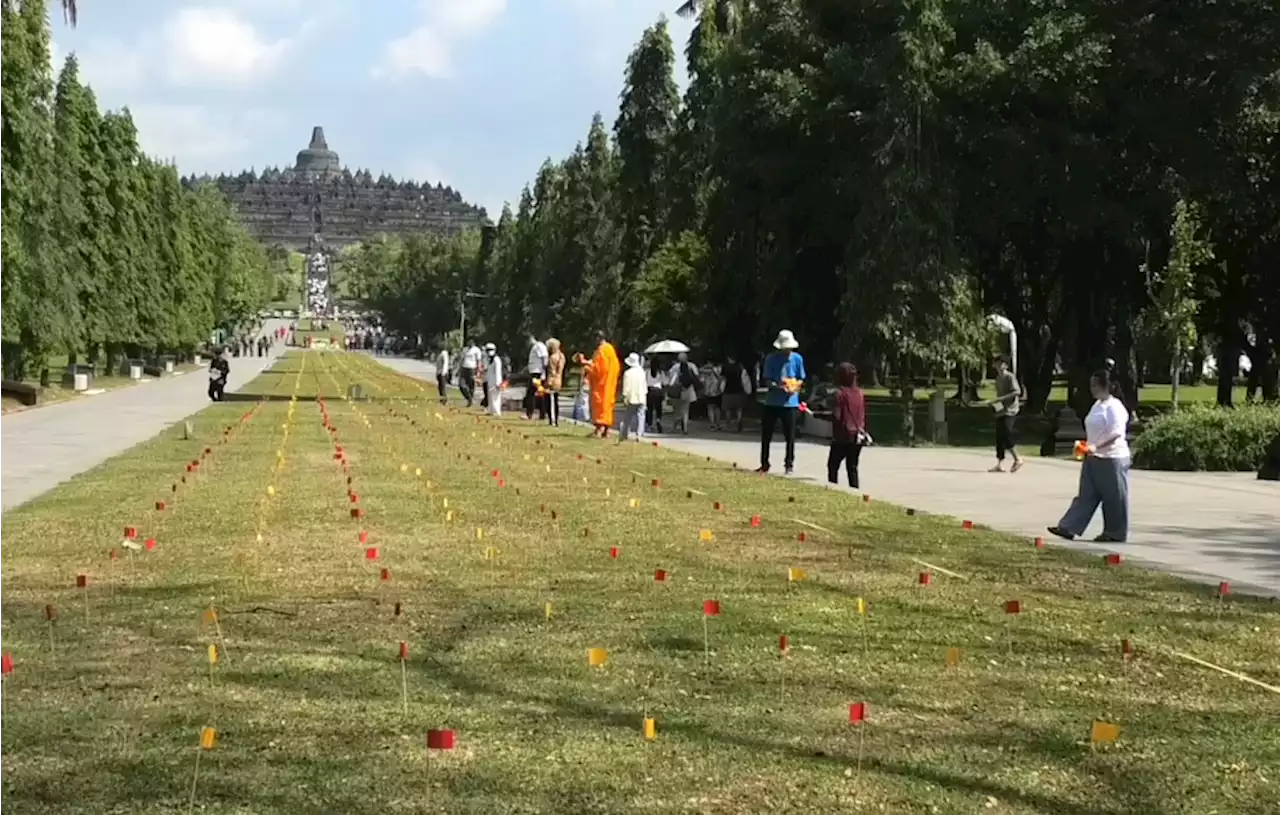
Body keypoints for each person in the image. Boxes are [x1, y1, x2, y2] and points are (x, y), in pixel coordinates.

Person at [1047, 369, 1132, 543]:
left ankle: (1115, 532)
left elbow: (1116, 433)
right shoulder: (1097, 405)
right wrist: (1086, 445)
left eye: (1095, 384)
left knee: (1114, 497)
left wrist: (1096, 446)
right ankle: (1068, 527)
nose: (1091, 388)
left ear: (1106, 386)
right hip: (1093, 456)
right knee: (1086, 494)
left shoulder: (1114, 406)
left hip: (1111, 457)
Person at [758, 329, 806, 476]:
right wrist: (777, 386)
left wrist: (795, 386)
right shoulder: (771, 359)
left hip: (790, 403)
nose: (787, 350)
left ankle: (789, 464)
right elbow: (767, 379)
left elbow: (801, 378)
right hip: (772, 401)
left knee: (790, 436)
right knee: (766, 434)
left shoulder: (797, 359)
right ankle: (764, 463)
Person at [827, 363, 868, 488]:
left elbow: (836, 416)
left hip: (842, 436)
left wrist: (818, 415)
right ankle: (855, 491)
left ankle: (833, 489)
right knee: (852, 467)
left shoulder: (839, 393)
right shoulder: (860, 393)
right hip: (858, 436)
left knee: (833, 465)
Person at [988, 355, 1024, 473]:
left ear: (1006, 365)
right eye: (997, 363)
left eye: (1001, 363)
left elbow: (1017, 391)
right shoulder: (998, 379)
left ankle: (1017, 459)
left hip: (1011, 410)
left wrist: (1001, 399)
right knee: (999, 436)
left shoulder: (1010, 377)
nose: (999, 365)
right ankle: (999, 464)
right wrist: (995, 404)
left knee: (1007, 433)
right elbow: (1000, 396)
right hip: (1001, 410)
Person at [581, 330, 620, 438]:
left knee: (600, 405)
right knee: (607, 406)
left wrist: (586, 365)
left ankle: (599, 429)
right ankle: (606, 431)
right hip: (609, 384)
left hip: (601, 385)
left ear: (598, 338)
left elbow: (600, 369)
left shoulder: (602, 350)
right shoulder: (610, 349)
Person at [668, 352, 699, 434]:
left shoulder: (675, 367)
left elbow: (671, 380)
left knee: (676, 411)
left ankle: (674, 427)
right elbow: (696, 376)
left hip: (678, 391)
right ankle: (685, 428)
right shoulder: (692, 366)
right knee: (685, 411)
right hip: (688, 391)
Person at [619, 353, 647, 442]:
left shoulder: (628, 373)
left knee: (628, 416)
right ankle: (639, 434)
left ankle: (625, 434)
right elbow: (644, 385)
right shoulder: (642, 372)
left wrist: (625, 396)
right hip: (641, 396)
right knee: (641, 416)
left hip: (631, 397)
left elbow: (626, 386)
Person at [721, 355, 750, 433]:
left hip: (727, 390)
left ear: (728, 358)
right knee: (739, 409)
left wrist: (721, 389)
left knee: (728, 410)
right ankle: (739, 424)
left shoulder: (725, 367)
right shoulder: (740, 367)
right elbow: (744, 379)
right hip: (739, 390)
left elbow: (723, 379)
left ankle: (728, 426)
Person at [525, 333, 549, 420]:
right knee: (539, 393)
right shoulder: (535, 347)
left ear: (531, 339)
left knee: (531, 393)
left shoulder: (539, 346)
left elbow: (544, 358)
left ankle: (530, 413)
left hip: (537, 373)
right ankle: (541, 414)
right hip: (535, 372)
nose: (527, 344)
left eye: (527, 341)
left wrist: (543, 372)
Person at [545, 338, 565, 426]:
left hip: (552, 380)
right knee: (556, 401)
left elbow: (552, 371)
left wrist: (548, 382)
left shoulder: (552, 358)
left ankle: (551, 420)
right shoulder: (562, 356)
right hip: (559, 380)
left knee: (550, 401)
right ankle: (556, 420)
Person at [700, 361, 725, 431]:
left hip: (708, 392)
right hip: (718, 391)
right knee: (717, 408)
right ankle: (718, 424)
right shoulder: (719, 369)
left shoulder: (704, 372)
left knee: (710, 408)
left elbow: (701, 381)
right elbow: (722, 378)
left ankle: (712, 424)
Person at [645, 358, 666, 434]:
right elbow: (665, 382)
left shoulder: (647, 372)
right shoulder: (661, 372)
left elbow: (644, 381)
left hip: (649, 391)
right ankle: (658, 420)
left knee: (649, 409)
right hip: (658, 391)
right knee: (658, 408)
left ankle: (649, 424)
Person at [459, 339, 482, 407]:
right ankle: (469, 398)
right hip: (464, 368)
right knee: (461, 384)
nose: (470, 344)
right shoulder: (465, 349)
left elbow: (479, 361)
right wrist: (459, 369)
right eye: (469, 342)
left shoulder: (476, 350)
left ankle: (470, 400)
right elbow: (462, 359)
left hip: (472, 368)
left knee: (471, 385)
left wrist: (478, 371)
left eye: (471, 343)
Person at [483, 343, 504, 417]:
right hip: (490, 381)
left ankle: (496, 412)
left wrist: (498, 383)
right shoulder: (489, 360)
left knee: (496, 397)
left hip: (496, 382)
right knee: (490, 397)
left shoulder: (496, 359)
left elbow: (498, 372)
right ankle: (491, 411)